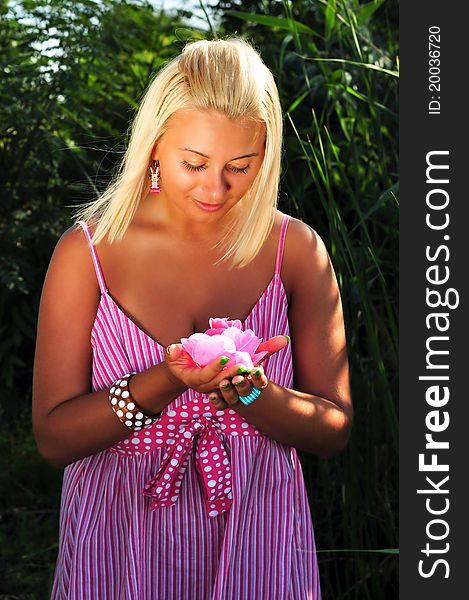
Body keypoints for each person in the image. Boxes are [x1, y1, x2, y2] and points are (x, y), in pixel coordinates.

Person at [32, 37, 352, 599]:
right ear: (155, 146)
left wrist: (253, 395)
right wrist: (166, 381)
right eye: (195, 163)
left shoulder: (296, 251)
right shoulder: (88, 252)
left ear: (266, 155)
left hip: (258, 535)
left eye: (240, 166)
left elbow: (333, 430)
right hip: (120, 538)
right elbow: (54, 440)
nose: (216, 187)